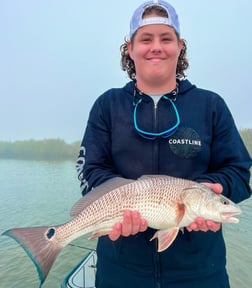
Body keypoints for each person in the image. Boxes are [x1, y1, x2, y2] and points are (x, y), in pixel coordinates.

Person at [76, 1, 252, 287]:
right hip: (120, 272)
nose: (156, 47)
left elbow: (239, 171)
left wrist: (215, 189)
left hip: (201, 273)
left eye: (166, 38)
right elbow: (90, 169)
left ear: (179, 46)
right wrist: (119, 201)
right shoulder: (107, 106)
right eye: (146, 39)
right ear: (130, 49)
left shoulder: (211, 105)